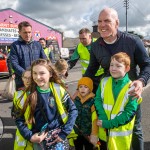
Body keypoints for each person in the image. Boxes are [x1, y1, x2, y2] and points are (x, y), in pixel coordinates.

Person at [84, 7, 150, 150]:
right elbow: (91, 70)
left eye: (107, 21)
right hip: (107, 96)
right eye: (100, 21)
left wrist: (141, 81)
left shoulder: (133, 41)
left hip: (130, 94)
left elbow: (146, 65)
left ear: (117, 23)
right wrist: (81, 86)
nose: (102, 25)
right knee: (108, 129)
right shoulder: (95, 46)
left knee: (135, 129)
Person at [14, 59, 78, 150]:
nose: (38, 77)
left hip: (57, 138)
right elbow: (18, 118)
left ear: (50, 74)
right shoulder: (25, 95)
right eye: (34, 73)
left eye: (42, 73)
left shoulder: (58, 89)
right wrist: (30, 136)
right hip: (38, 140)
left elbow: (73, 110)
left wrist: (64, 133)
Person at [95, 52, 142, 150]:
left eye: (118, 66)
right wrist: (103, 117)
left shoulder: (132, 88)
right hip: (104, 134)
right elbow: (98, 100)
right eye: (111, 65)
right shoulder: (104, 82)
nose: (113, 68)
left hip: (120, 139)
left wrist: (108, 123)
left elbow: (129, 113)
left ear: (127, 68)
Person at [10, 21, 47, 90]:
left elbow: (44, 60)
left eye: (29, 32)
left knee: (39, 100)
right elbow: (14, 64)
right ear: (19, 32)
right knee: (24, 100)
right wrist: (26, 74)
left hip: (38, 80)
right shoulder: (15, 46)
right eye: (25, 32)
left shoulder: (37, 45)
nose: (28, 35)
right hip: (22, 82)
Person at [73, 77, 99, 150]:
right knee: (78, 147)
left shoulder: (93, 101)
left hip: (88, 134)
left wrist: (94, 133)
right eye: (80, 87)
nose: (82, 89)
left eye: (85, 87)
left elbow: (95, 119)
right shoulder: (75, 99)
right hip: (77, 132)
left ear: (90, 88)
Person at [13, 68, 32, 150]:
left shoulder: (42, 93)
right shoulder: (18, 95)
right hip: (24, 133)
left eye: (30, 78)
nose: (27, 80)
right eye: (25, 77)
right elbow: (17, 117)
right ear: (22, 78)